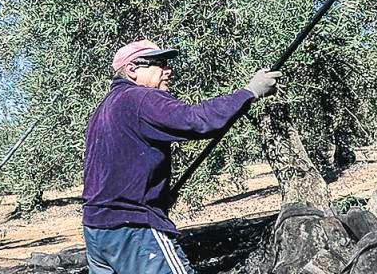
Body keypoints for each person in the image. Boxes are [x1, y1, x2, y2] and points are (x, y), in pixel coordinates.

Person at [82, 39, 282, 274]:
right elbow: (196, 121)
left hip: (96, 230)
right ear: (133, 69)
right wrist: (250, 92)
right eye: (159, 63)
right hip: (133, 228)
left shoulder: (105, 109)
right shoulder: (140, 98)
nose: (168, 70)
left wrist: (156, 195)